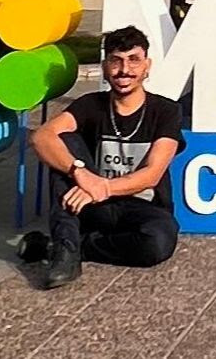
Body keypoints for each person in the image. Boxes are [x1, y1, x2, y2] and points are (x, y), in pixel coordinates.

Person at [27, 26, 184, 286]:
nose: (124, 70)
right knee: (62, 142)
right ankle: (66, 252)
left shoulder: (165, 111)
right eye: (116, 60)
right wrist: (80, 172)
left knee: (157, 243)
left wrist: (102, 188)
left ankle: (65, 248)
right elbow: (41, 137)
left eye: (133, 60)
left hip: (142, 207)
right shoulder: (90, 105)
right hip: (92, 207)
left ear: (147, 66)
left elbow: (152, 175)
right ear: (104, 66)